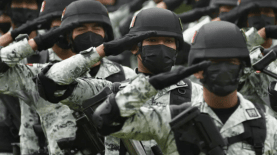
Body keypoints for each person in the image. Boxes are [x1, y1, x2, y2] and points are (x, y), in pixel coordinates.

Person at [0, 0, 136, 154]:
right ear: (68, 35)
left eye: (96, 28)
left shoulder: (124, 74)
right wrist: (38, 42)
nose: (88, 34)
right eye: (81, 28)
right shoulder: (44, 74)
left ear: (106, 33)